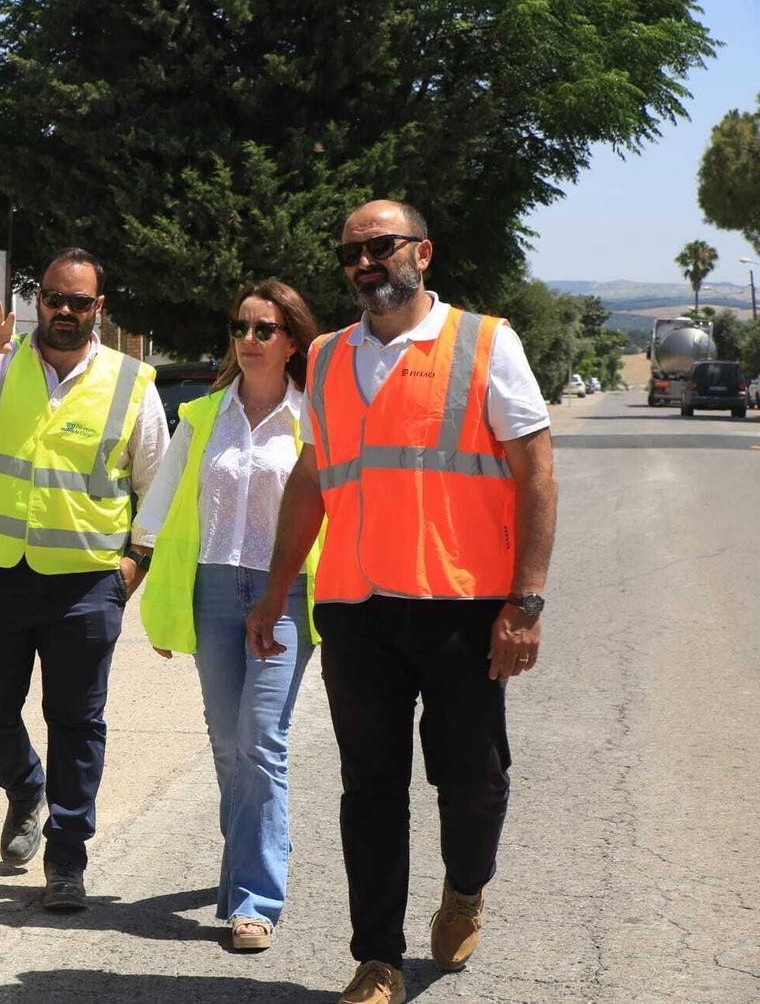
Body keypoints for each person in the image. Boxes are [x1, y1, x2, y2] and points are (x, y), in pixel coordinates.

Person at [247, 200, 557, 1004]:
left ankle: (464, 888)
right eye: (351, 251)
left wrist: (525, 602)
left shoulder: (486, 342)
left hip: (462, 605)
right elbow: (313, 478)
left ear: (422, 252)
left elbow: (536, 474)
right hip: (357, 607)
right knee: (370, 789)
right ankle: (377, 958)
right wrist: (277, 588)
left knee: (472, 779)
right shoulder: (325, 353)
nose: (364, 262)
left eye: (380, 247)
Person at [0, 247, 168, 911]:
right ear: (39, 299)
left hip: (85, 585)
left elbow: (155, 490)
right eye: (54, 299)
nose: (64, 312)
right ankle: (24, 785)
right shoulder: (1, 363)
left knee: (76, 722)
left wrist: (132, 570)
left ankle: (67, 858)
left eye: (79, 302)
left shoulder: (132, 384)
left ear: (100, 307)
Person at [135, 281, 323, 952]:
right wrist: (146, 586)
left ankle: (254, 897)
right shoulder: (203, 413)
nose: (248, 338)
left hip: (286, 592)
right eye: (240, 326)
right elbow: (160, 506)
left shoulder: (314, 419)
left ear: (292, 340)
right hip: (212, 588)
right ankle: (250, 853)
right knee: (224, 740)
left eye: (264, 329)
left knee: (260, 739)